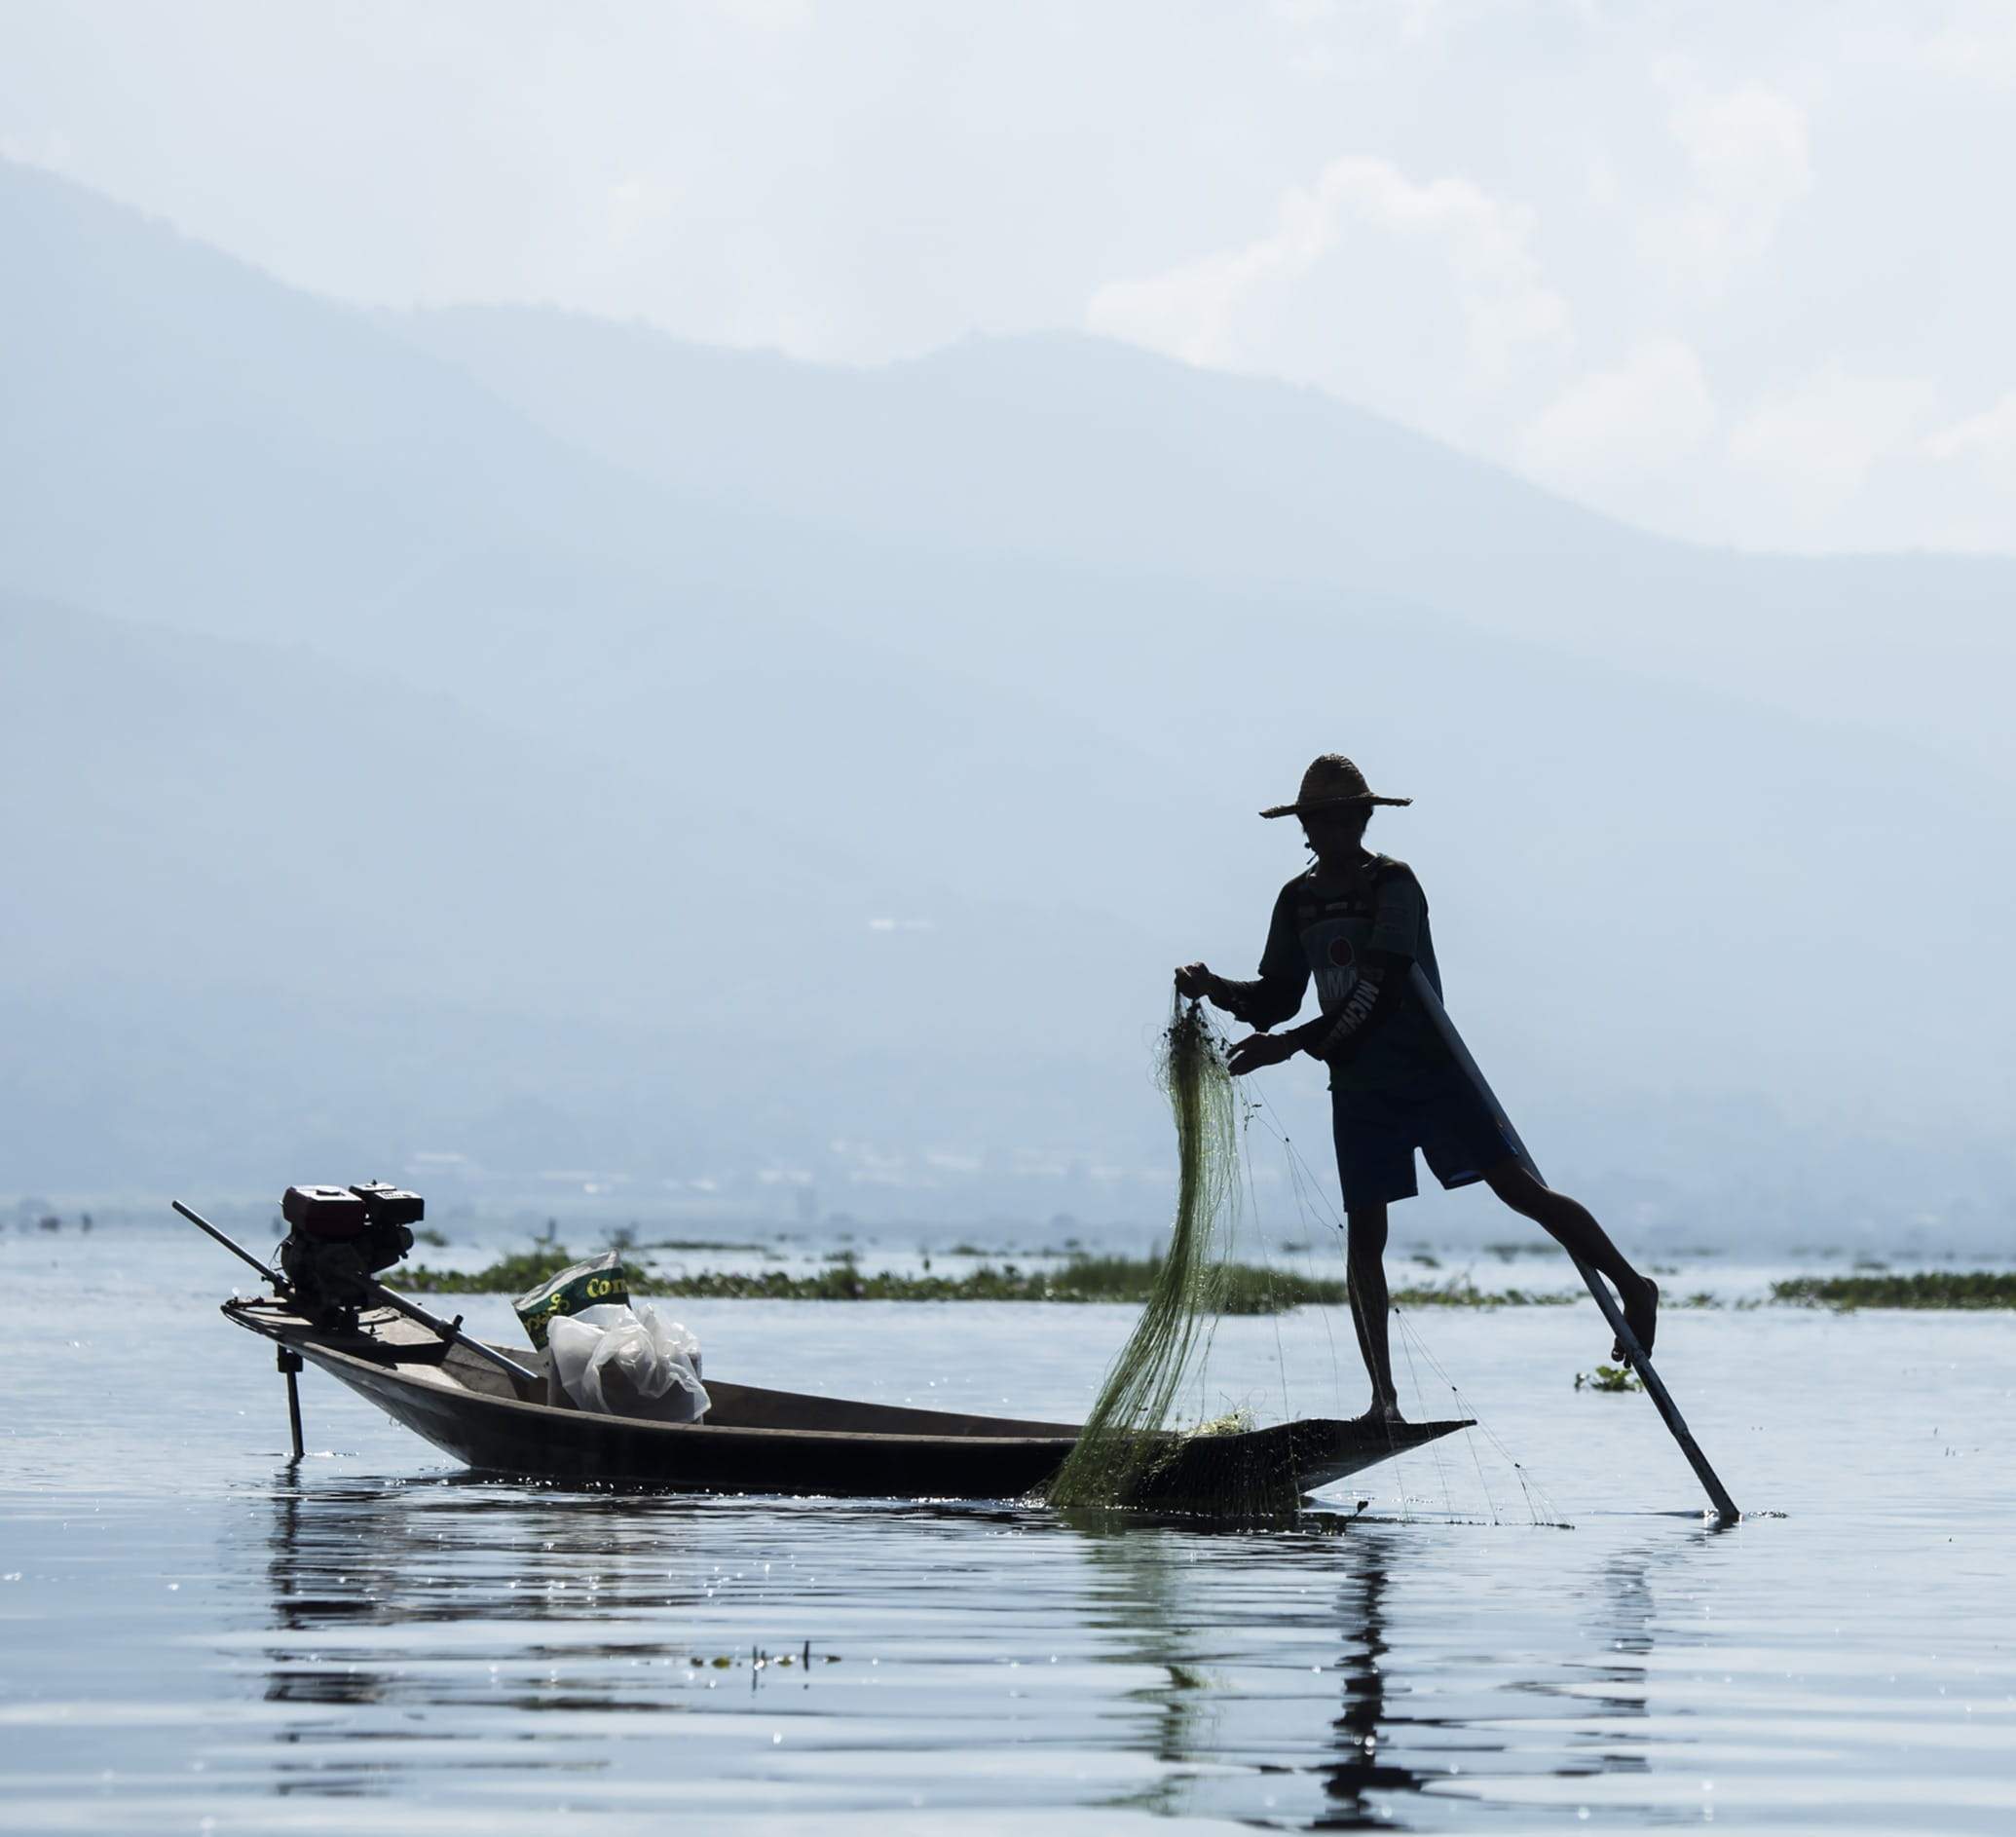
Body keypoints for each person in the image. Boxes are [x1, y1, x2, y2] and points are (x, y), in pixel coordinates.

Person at [1176, 753, 1657, 1423]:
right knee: (1364, 1236)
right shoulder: (1299, 900)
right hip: (1360, 1087)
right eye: (1323, 822)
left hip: (1429, 1068)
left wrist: (1286, 1047)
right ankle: (1384, 1401)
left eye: (1347, 819)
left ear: (1364, 819)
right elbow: (1276, 999)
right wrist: (1216, 988)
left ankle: (1634, 1287)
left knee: (1519, 1191)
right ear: (1307, 827)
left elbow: (1380, 989)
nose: (1335, 832)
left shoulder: (1392, 885)